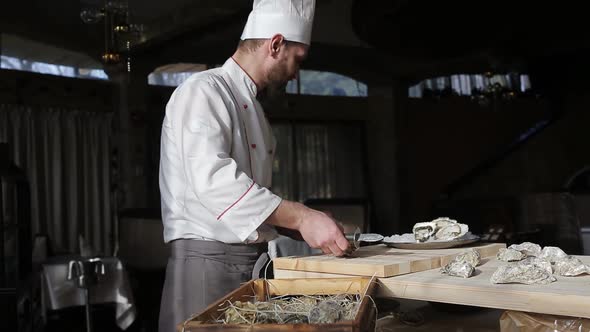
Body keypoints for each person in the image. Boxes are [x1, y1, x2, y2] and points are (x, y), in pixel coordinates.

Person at [157, 0, 350, 331]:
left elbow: (251, 202)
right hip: (205, 268)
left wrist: (303, 224)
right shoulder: (204, 90)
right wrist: (302, 217)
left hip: (248, 266)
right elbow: (216, 184)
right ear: (275, 45)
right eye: (297, 59)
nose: (296, 71)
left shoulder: (255, 111)